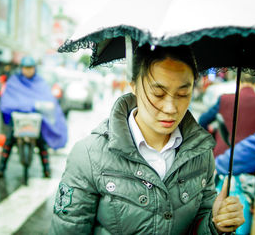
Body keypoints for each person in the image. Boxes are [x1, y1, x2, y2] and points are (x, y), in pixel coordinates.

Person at [49, 45, 244, 234]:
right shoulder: (89, 156)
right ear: (133, 86)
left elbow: (200, 223)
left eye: (183, 94)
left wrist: (215, 224)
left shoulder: (201, 154)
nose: (170, 108)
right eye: (158, 94)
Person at [0, 56, 68, 178]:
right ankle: (1, 169)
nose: (28, 71)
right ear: (21, 68)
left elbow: (48, 99)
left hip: (35, 118)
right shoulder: (14, 81)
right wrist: (24, 106)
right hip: (18, 118)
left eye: (30, 68)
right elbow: (6, 101)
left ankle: (46, 170)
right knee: (9, 140)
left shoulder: (40, 82)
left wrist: (44, 106)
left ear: (34, 69)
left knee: (41, 142)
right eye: (25, 68)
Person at [199, 73, 255, 157]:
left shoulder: (224, 99)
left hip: (223, 158)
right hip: (253, 161)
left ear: (237, 80)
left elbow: (202, 121)